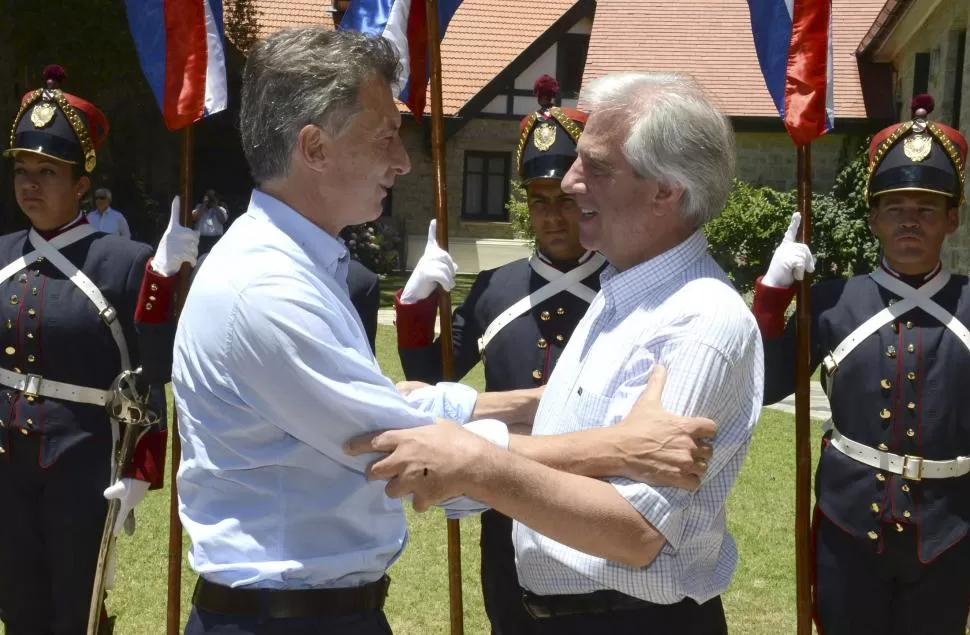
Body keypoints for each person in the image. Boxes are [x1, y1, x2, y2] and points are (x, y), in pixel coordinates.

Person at [172, 30, 716, 635]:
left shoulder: (293, 267)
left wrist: (550, 405)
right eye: (383, 137)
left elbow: (407, 407)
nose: (402, 160)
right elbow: (409, 452)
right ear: (314, 148)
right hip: (284, 617)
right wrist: (615, 447)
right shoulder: (266, 290)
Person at [349, 72, 763, 634]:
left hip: (631, 621)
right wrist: (462, 422)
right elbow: (564, 425)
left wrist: (471, 459)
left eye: (595, 167)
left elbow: (635, 531)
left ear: (666, 191)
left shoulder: (699, 320)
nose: (570, 184)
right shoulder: (625, 293)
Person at [394, 73, 606, 634]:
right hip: (505, 500)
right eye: (540, 202)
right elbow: (430, 377)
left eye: (565, 200)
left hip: (596, 499)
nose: (553, 217)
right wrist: (416, 304)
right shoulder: (495, 288)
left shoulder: (623, 286)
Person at [751, 94, 970, 634]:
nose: (910, 223)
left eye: (926, 209)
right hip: (847, 531)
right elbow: (762, 384)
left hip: (951, 533)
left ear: (952, 219)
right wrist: (774, 296)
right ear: (873, 218)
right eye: (895, 209)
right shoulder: (830, 302)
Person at [0, 64, 198, 635]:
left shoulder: (124, 260)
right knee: (17, 603)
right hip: (5, 465)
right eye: (22, 171)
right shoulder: (4, 253)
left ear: (83, 182)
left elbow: (154, 371)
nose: (30, 185)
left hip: (83, 465)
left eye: (48, 172)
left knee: (77, 609)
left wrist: (142, 468)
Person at [192, 189, 229, 255]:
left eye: (212, 196)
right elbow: (195, 218)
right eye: (209, 196)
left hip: (216, 240)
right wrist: (204, 204)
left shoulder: (221, 209)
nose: (210, 199)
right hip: (201, 240)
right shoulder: (198, 206)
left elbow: (222, 220)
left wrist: (215, 205)